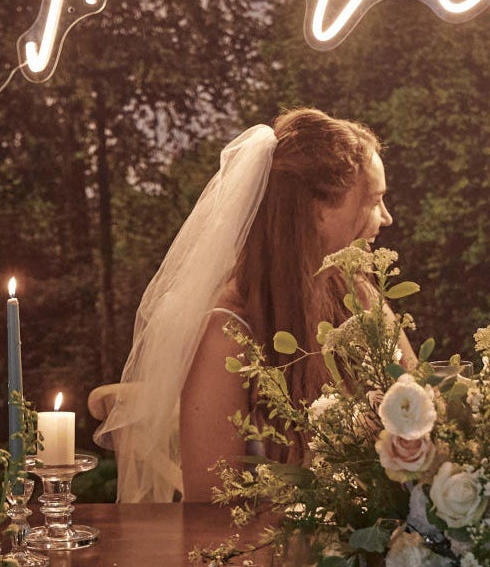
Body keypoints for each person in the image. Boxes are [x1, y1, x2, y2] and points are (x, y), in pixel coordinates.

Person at [95, 108, 398, 502]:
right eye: (374, 200)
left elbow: (420, 402)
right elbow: (210, 509)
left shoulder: (359, 294)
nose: (386, 218)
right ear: (317, 210)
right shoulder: (230, 333)